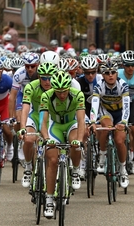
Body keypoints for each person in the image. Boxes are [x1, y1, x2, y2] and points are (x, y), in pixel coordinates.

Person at [39, 70, 85, 218]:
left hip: (71, 124)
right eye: (58, 92)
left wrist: (80, 140)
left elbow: (81, 120)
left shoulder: (77, 94)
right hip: (55, 126)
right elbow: (43, 121)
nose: (62, 95)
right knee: (52, 159)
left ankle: (76, 170)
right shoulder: (46, 96)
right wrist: (46, 138)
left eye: (64, 91)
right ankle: (50, 199)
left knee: (75, 143)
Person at [89, 60, 130, 188]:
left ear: (117, 73)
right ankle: (102, 156)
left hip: (120, 113)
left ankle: (123, 169)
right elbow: (94, 104)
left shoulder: (123, 85)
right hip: (106, 112)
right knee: (105, 128)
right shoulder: (98, 86)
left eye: (113, 72)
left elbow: (127, 106)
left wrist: (123, 122)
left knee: (119, 141)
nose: (110, 75)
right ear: (103, 75)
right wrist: (92, 121)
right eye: (107, 73)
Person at [18, 62, 58, 188]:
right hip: (35, 116)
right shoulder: (31, 87)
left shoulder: (58, 88)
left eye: (50, 77)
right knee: (29, 140)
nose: (47, 81)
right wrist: (23, 128)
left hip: (52, 118)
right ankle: (28, 167)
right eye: (44, 78)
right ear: (39, 77)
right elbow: (25, 108)